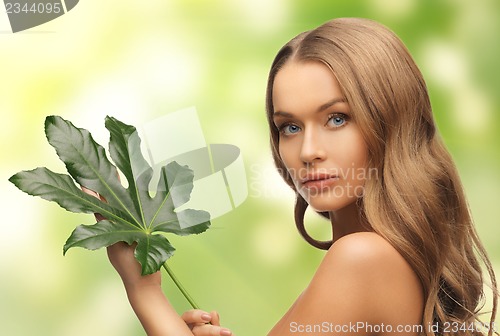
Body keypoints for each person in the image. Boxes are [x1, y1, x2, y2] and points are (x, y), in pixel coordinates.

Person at [85, 17, 498, 335]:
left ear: (391, 120)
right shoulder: (395, 258)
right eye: (290, 127)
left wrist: (145, 291)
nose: (308, 151)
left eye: (337, 118)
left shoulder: (362, 259)